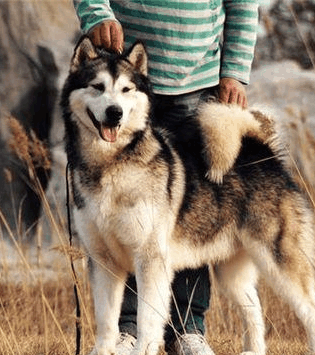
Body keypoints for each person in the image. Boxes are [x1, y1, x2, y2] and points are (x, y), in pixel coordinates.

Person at [72, 1, 259, 354]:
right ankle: (126, 332)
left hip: (197, 81)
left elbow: (243, 3)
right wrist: (96, 13)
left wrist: (234, 69)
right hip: (121, 75)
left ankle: (188, 328)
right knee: (117, 218)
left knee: (188, 215)